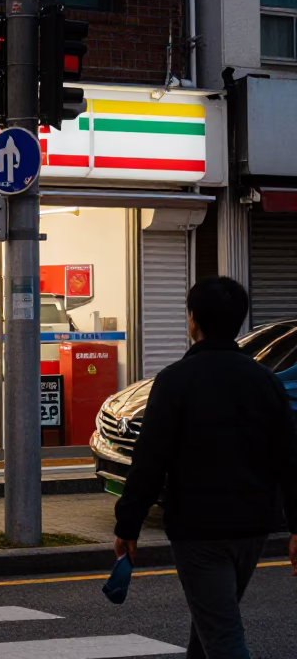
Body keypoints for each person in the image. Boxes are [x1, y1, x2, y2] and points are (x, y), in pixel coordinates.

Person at [114, 276, 297, 658]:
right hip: (253, 526)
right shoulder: (265, 380)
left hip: (199, 529)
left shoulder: (175, 381)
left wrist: (128, 525)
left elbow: (150, 459)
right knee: (212, 621)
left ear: (192, 319)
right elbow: (289, 457)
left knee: (222, 633)